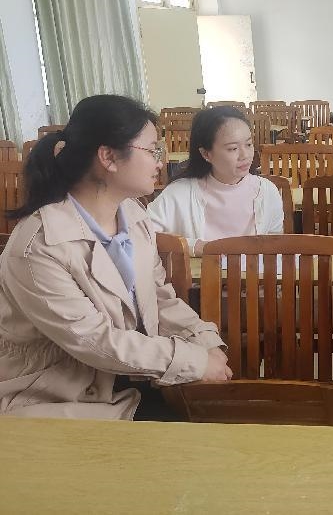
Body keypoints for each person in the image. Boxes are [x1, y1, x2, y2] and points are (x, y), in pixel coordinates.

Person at [0, 95, 231, 420]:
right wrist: (193, 362)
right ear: (108, 157)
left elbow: (160, 298)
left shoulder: (134, 216)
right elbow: (95, 340)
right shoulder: (38, 246)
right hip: (54, 397)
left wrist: (203, 341)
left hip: (124, 375)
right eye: (152, 151)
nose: (161, 163)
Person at [147, 106, 284, 256]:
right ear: (206, 154)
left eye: (249, 144)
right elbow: (144, 235)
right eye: (233, 148)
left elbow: (275, 245)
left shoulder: (267, 191)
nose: (245, 155)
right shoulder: (179, 194)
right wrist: (196, 246)